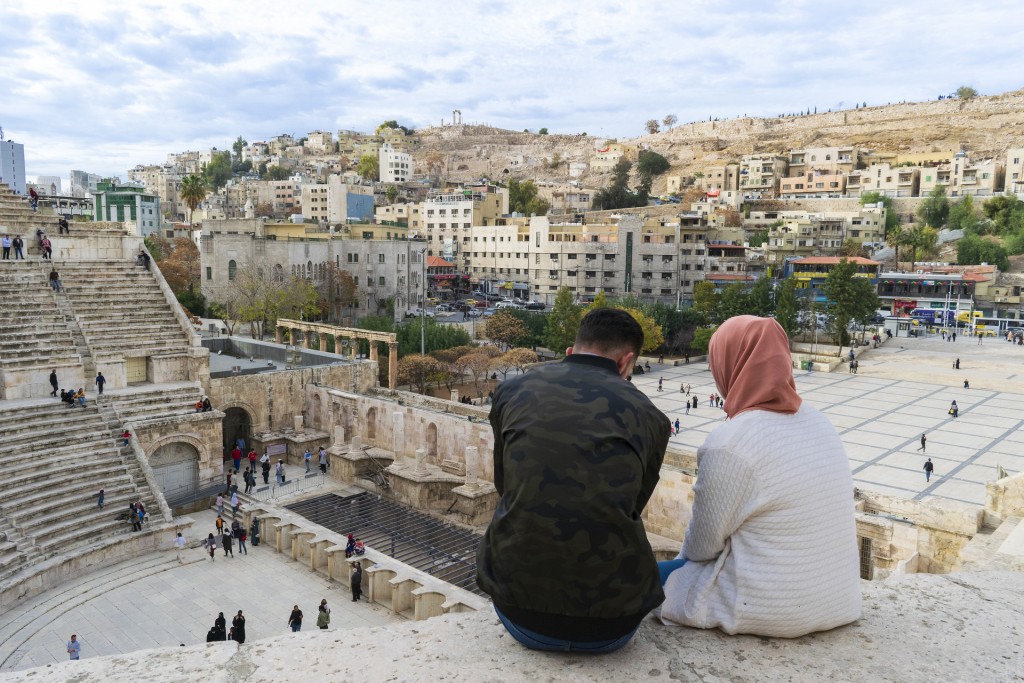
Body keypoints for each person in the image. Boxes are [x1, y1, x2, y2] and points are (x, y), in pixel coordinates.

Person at [477, 308, 669, 654]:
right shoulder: (651, 417)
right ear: (626, 362)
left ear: (570, 351)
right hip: (613, 626)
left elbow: (505, 485)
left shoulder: (511, 392)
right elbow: (633, 504)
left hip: (518, 612)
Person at [659, 315, 861, 638]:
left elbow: (701, 548)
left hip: (770, 608)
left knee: (654, 582)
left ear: (730, 364)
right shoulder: (819, 421)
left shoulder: (730, 443)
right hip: (841, 601)